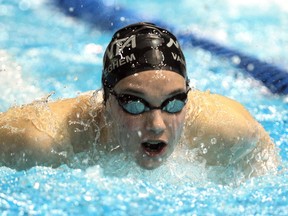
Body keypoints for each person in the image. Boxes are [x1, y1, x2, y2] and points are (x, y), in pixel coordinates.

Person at [0, 22, 279, 179]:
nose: (157, 125)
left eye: (173, 103)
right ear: (106, 100)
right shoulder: (38, 139)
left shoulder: (233, 132)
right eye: (135, 103)